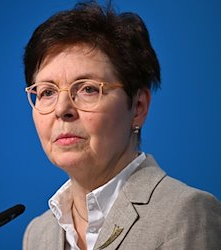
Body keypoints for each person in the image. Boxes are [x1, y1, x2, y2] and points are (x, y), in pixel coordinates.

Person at [21, 1, 221, 250]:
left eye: (88, 89)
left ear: (138, 107)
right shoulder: (38, 234)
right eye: (47, 92)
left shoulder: (185, 215)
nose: (62, 109)